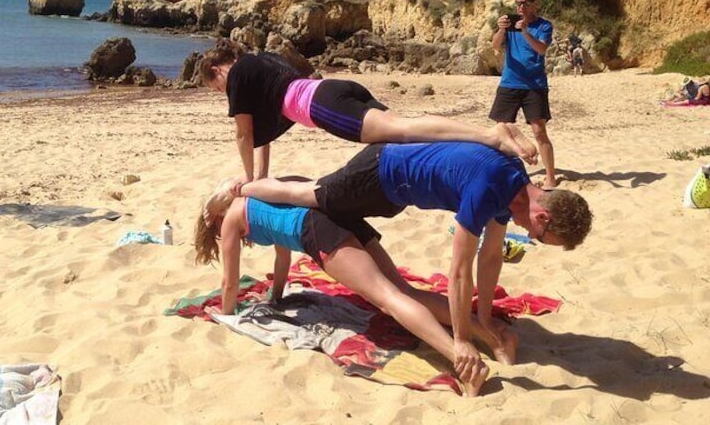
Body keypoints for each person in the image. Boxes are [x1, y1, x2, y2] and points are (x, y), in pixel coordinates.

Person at [205, 141, 593, 381]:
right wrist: (460, 341)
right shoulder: (493, 184)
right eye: (540, 236)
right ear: (544, 216)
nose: (532, 237)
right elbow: (460, 272)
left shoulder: (510, 188)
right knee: (310, 193)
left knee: (311, 200)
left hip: (390, 193)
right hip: (378, 173)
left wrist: (484, 322)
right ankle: (238, 188)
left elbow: (489, 259)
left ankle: (485, 339)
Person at [196, 189, 520, 397]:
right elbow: (283, 257)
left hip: (320, 232)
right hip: (336, 219)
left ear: (216, 217)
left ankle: (464, 361)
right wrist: (276, 297)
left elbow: (230, 281)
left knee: (389, 300)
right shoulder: (258, 199)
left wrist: (226, 314)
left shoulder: (229, 221)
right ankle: (494, 334)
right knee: (404, 290)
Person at [200, 39, 537, 182]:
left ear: (217, 70)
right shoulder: (261, 61)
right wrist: (259, 177)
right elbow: (261, 137)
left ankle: (491, 135)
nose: (222, 93)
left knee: (404, 131)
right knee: (406, 135)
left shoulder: (238, 74)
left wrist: (246, 180)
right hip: (334, 88)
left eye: (216, 87)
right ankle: (481, 144)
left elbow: (244, 134)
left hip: (323, 106)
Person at [490, 0, 557, 188]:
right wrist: (501, 30)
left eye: (525, 3)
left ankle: (551, 177)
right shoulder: (510, 25)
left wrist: (526, 32)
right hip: (510, 82)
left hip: (534, 85)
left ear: (534, 4)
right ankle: (498, 173)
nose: (520, 8)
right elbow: (494, 45)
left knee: (539, 131)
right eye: (518, 3)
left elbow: (541, 49)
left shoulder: (544, 26)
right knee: (499, 130)